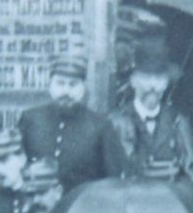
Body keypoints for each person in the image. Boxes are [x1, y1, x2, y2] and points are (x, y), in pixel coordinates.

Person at [18, 53, 125, 193]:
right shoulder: (31, 119)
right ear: (50, 85)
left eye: (73, 85)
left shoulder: (100, 126)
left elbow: (113, 179)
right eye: (60, 83)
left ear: (83, 88)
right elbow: (17, 168)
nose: (66, 91)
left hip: (80, 209)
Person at [107, 38, 193, 187]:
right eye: (146, 78)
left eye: (159, 79)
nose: (153, 86)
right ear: (133, 81)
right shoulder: (116, 121)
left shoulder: (177, 121)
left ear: (166, 83)